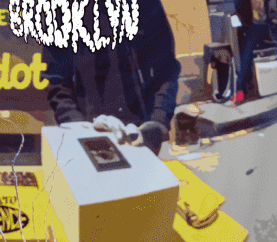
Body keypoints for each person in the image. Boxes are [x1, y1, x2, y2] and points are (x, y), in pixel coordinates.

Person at [42, 0, 181, 155]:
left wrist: (157, 123)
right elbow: (56, 79)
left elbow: (166, 69)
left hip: (141, 136)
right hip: (87, 137)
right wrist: (76, 126)